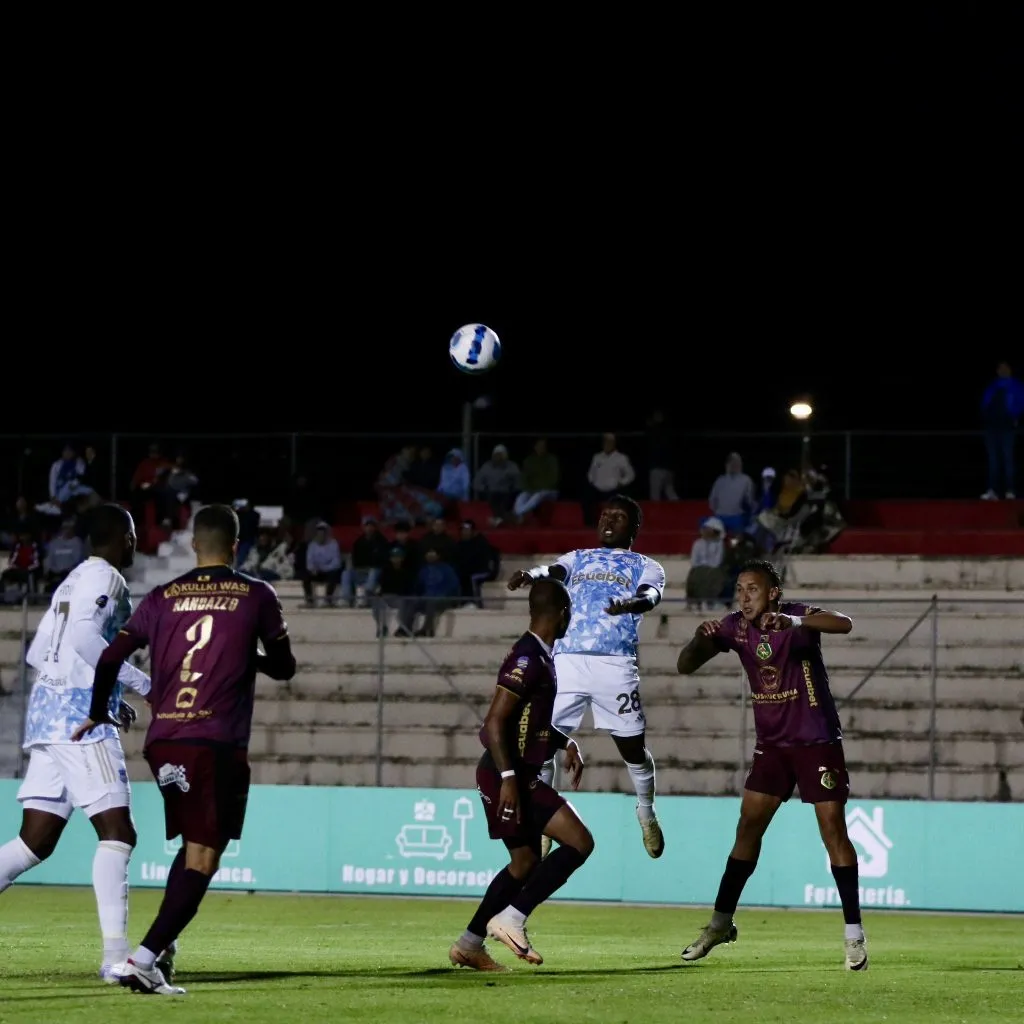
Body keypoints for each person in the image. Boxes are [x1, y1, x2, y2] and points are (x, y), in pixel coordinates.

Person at [73, 504, 297, 996]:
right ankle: (145, 959)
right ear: (236, 546)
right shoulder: (255, 594)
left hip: (165, 740)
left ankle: (160, 947)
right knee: (203, 858)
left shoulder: (162, 596)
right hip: (214, 741)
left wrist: (97, 709)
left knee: (194, 844)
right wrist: (247, 657)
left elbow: (111, 654)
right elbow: (285, 667)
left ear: (194, 544)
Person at [675, 558, 867, 971]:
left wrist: (797, 625)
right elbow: (685, 664)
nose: (744, 597)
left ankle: (854, 934)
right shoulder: (734, 627)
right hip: (773, 747)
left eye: (753, 590)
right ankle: (720, 924)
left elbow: (845, 623)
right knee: (747, 828)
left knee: (833, 831)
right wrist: (698, 637)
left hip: (816, 741)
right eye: (740, 589)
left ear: (773, 593)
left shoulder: (797, 615)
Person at [0, 504, 152, 982]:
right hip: (76, 721)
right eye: (132, 534)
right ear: (122, 537)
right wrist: (144, 685)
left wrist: (104, 692)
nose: (135, 543)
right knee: (119, 833)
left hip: (46, 716)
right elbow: (86, 637)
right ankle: (117, 959)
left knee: (34, 842)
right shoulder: (107, 578)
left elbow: (36, 652)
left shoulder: (72, 580)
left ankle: (116, 957)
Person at [507, 494, 666, 859]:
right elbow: (553, 573)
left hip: (615, 665)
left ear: (634, 528)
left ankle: (645, 811)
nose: (608, 521)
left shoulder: (646, 564)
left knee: (633, 750)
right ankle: (543, 821)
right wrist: (531, 575)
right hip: (567, 663)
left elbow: (651, 595)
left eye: (619, 516)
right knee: (541, 745)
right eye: (605, 514)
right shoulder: (578, 557)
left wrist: (632, 604)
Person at [448, 578, 591, 971]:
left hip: (513, 773)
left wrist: (566, 743)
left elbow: (530, 722)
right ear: (561, 613)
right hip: (506, 776)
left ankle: (468, 944)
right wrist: (510, 777)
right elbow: (494, 722)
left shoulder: (541, 656)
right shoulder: (528, 658)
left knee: (524, 862)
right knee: (579, 843)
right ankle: (512, 918)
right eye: (570, 612)